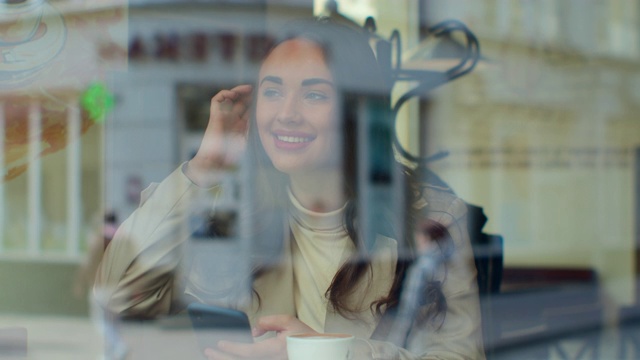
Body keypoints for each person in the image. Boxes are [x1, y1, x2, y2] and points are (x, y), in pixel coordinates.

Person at [94, 18, 484, 359]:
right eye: (273, 91)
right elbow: (117, 297)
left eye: (314, 94)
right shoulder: (218, 206)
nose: (287, 114)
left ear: (354, 109)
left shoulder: (432, 217)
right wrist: (204, 167)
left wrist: (322, 355)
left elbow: (458, 357)